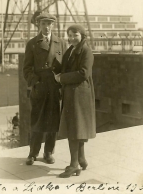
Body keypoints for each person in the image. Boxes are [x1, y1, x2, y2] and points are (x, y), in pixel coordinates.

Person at [23, 12, 67, 165]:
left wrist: (61, 80)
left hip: (55, 88)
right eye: (43, 24)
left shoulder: (61, 43)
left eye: (49, 24)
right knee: (37, 120)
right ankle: (33, 153)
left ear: (53, 25)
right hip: (40, 88)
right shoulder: (32, 43)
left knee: (53, 122)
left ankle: (48, 152)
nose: (46, 27)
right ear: (39, 25)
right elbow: (27, 69)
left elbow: (65, 67)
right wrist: (35, 82)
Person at [53, 24, 96, 178]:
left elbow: (83, 73)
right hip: (73, 93)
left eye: (75, 35)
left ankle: (73, 165)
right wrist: (54, 67)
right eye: (69, 35)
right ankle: (81, 159)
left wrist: (62, 78)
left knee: (74, 129)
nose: (71, 38)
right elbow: (65, 68)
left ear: (82, 35)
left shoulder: (86, 50)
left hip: (79, 94)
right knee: (78, 128)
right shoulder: (71, 50)